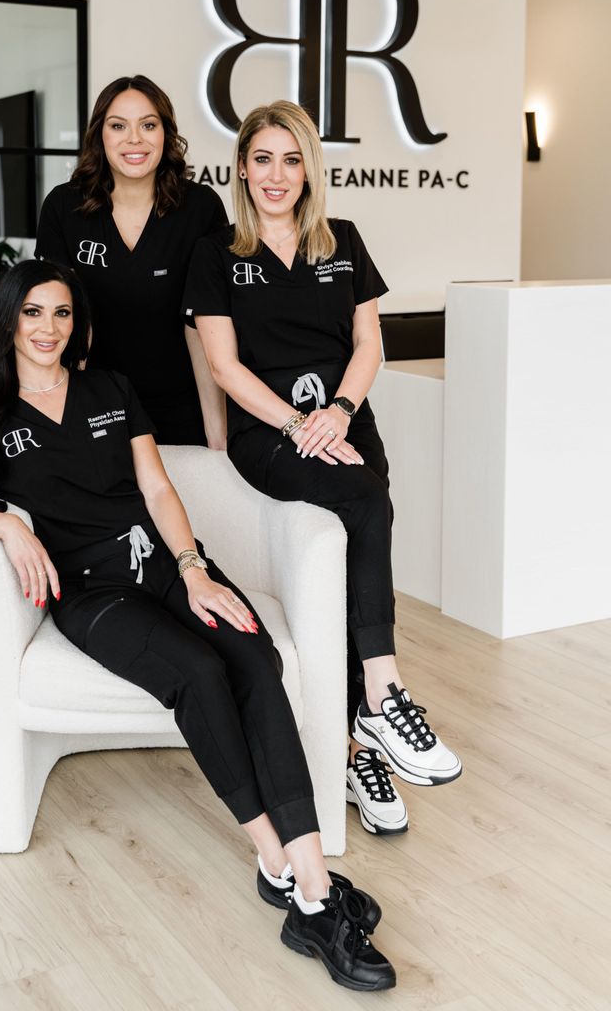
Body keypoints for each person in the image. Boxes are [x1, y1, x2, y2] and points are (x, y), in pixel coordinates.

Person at [0, 259, 396, 992]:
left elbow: (157, 487)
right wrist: (1, 526)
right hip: (92, 596)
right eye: (34, 313)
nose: (49, 328)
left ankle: (310, 871)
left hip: (167, 566)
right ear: (9, 319)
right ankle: (285, 868)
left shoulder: (110, 389)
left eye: (63, 314)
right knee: (197, 675)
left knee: (257, 660)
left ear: (78, 324)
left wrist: (194, 566)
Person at [184, 101, 462, 839]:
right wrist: (299, 424)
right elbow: (223, 365)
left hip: (346, 425)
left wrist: (337, 410)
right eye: (264, 159)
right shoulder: (218, 253)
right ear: (243, 166)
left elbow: (369, 344)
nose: (277, 175)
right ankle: (383, 696)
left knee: (351, 562)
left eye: (292, 159)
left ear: (310, 168)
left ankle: (352, 748)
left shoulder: (345, 241)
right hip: (269, 433)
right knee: (367, 508)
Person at [35, 74, 227, 447]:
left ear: (165, 134)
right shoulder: (64, 207)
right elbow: (63, 319)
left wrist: (217, 434)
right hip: (95, 402)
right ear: (100, 135)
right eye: (118, 125)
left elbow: (204, 328)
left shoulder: (201, 208)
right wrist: (64, 415)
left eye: (148, 125)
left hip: (180, 405)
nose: (134, 139)